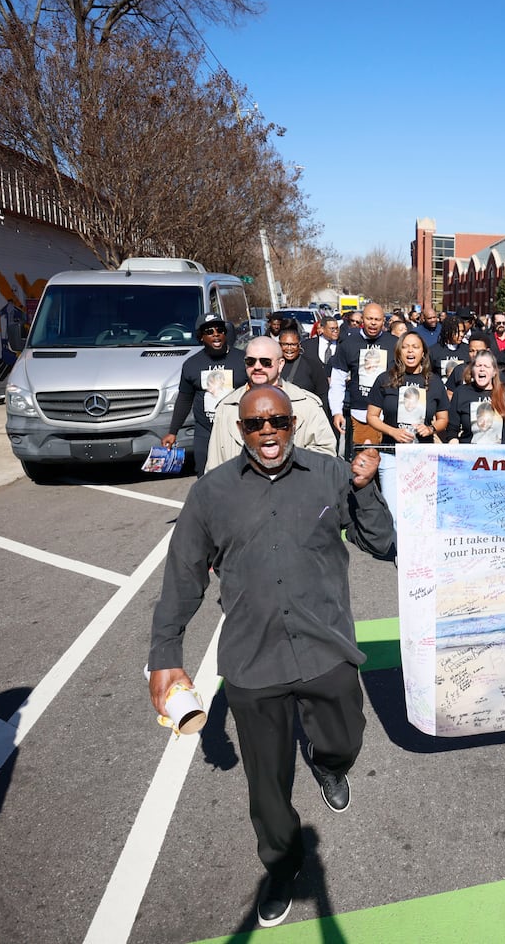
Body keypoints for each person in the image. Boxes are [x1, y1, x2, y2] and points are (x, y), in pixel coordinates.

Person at [148, 386, 394, 929]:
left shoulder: (330, 474)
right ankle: (281, 866)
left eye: (278, 421)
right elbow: (182, 578)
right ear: (240, 428)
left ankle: (331, 768)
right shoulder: (210, 495)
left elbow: (382, 542)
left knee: (344, 735)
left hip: (327, 646)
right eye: (257, 422)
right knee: (267, 781)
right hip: (253, 662)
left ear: (291, 423)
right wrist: (165, 651)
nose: (268, 431)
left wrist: (367, 489)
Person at [203, 336, 336, 471]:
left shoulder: (307, 405)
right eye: (250, 361)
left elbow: (327, 456)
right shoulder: (226, 408)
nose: (257, 367)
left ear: (281, 364)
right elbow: (214, 465)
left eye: (266, 362)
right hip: (240, 490)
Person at [162, 313, 247, 476]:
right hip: (205, 432)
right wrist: (173, 431)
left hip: (237, 430)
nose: (216, 334)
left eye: (220, 330)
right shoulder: (191, 365)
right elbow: (185, 399)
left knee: (239, 477)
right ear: (201, 337)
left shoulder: (243, 359)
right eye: (209, 331)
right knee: (204, 477)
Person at [328, 303, 399, 458]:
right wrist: (337, 411)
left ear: (384, 322)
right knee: (363, 464)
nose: (373, 323)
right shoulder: (348, 343)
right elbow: (338, 381)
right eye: (369, 318)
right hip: (360, 414)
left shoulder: (395, 343)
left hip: (390, 415)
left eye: (377, 319)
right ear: (362, 319)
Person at [365, 331, 449, 447]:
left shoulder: (435, 382)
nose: (410, 350)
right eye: (405, 347)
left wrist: (430, 429)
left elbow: (443, 419)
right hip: (391, 451)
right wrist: (392, 431)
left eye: (415, 347)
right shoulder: (384, 379)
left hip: (423, 451)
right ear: (399, 352)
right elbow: (371, 416)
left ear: (423, 352)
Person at [449, 349, 505, 444]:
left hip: (500, 455)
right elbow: (452, 429)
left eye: (486, 366)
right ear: (472, 370)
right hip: (470, 454)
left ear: (494, 372)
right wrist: (453, 441)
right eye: (478, 366)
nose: (482, 369)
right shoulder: (461, 392)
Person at [277, 328, 330, 418]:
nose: (289, 348)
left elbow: (323, 394)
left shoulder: (312, 365)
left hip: (305, 417)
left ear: (299, 345)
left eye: (293, 344)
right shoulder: (272, 364)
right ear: (279, 345)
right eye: (285, 344)